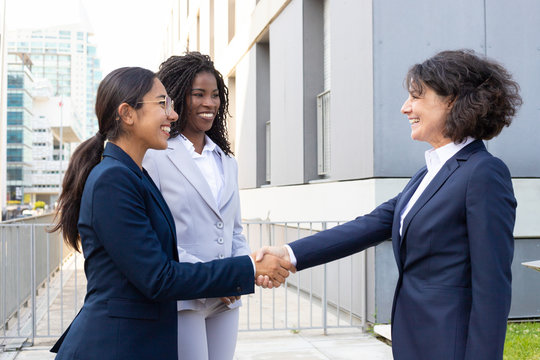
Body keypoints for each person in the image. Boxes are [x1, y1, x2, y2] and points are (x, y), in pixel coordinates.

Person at [257, 49, 521, 360]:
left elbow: (493, 288)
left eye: (416, 97)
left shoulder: (484, 172)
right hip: (414, 341)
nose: (405, 108)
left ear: (451, 99)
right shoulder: (429, 173)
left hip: (450, 345)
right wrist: (287, 254)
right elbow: (369, 225)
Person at [49, 67, 292, 360]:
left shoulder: (134, 175)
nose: (172, 115)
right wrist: (248, 269)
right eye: (162, 104)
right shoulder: (113, 180)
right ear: (127, 114)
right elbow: (159, 276)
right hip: (113, 345)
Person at [143, 52, 247, 360]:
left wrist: (239, 275)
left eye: (215, 95)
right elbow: (158, 236)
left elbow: (235, 230)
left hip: (227, 299)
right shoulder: (156, 157)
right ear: (177, 99)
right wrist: (216, 276)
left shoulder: (227, 161)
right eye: (198, 94)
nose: (209, 103)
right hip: (184, 298)